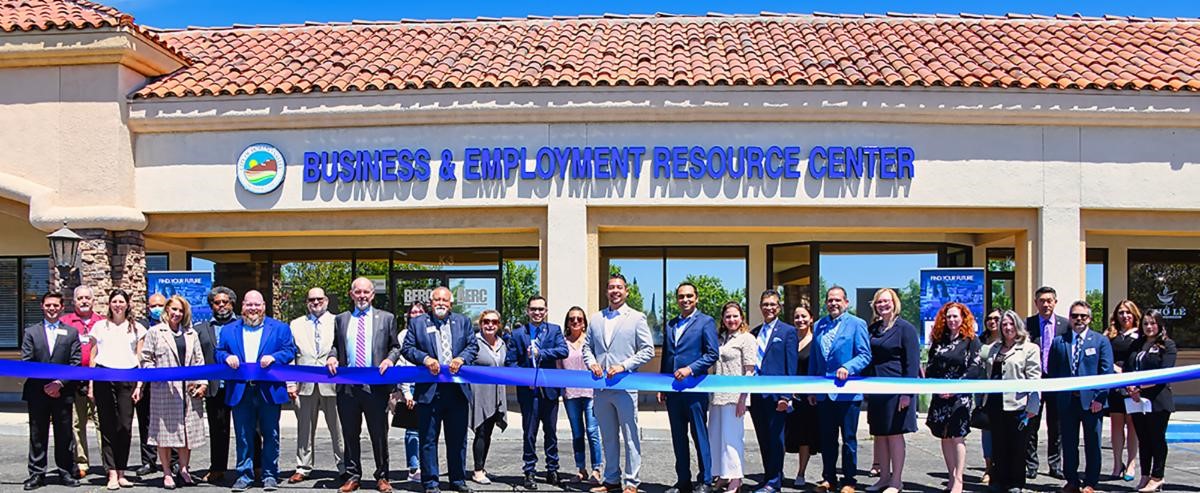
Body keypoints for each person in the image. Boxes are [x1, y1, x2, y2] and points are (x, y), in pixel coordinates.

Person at [400, 285, 480, 493]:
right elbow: (407, 348)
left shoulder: (463, 322)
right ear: (430, 303)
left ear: (451, 304)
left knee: (458, 440)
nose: (441, 304)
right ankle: (431, 482)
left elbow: (473, 346)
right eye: (437, 300)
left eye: (445, 301)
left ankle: (458, 480)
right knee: (427, 440)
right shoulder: (417, 323)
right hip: (429, 392)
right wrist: (425, 359)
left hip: (456, 392)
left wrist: (461, 358)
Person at [327, 277, 404, 493]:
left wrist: (390, 359)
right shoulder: (341, 319)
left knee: (379, 434)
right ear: (351, 294)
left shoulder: (386, 318)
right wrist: (332, 357)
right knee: (350, 434)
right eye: (357, 292)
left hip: (376, 388)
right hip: (348, 388)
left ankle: (382, 476)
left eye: (366, 292)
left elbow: (395, 347)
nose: (362, 296)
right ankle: (353, 476)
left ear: (372, 295)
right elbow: (335, 346)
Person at [216, 290, 297, 492]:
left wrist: (275, 358)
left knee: (271, 435)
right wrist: (226, 358)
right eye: (249, 305)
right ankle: (244, 475)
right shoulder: (228, 330)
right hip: (241, 391)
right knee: (243, 436)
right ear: (242, 306)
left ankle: (270, 475)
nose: (253, 308)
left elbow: (290, 350)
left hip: (269, 390)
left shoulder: (280, 328)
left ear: (264, 306)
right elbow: (218, 352)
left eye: (257, 305)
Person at [583, 273, 655, 493]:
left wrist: (624, 365)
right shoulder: (596, 318)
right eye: (611, 287)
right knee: (608, 436)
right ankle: (611, 479)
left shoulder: (637, 318)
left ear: (626, 291)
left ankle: (632, 482)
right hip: (601, 388)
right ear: (606, 291)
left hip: (625, 385)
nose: (615, 291)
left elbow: (648, 350)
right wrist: (592, 363)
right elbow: (587, 347)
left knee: (630, 436)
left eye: (619, 287)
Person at [140, 295, 208, 490]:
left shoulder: (191, 334)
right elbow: (146, 359)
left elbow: (199, 361)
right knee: (164, 435)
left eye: (181, 310)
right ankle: (167, 472)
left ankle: (185, 469)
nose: (177, 313)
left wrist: (202, 383)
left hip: (189, 391)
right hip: (165, 391)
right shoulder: (155, 332)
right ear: (167, 310)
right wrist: (156, 374)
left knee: (187, 433)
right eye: (174, 309)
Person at [659, 283, 719, 493]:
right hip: (673, 391)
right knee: (678, 437)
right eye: (681, 296)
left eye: (689, 296)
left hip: (695, 389)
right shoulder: (671, 324)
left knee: (699, 435)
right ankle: (683, 481)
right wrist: (661, 385)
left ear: (696, 298)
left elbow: (712, 354)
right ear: (677, 299)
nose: (685, 300)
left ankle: (705, 480)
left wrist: (690, 369)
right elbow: (668, 356)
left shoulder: (706, 322)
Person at [808, 287, 870, 493]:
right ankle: (829, 479)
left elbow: (864, 355)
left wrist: (848, 367)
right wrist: (811, 388)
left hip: (848, 393)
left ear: (846, 302)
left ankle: (850, 480)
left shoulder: (857, 324)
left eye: (837, 300)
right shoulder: (818, 325)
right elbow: (815, 361)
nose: (833, 304)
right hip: (824, 394)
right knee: (827, 439)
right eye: (829, 300)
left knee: (849, 440)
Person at [1049, 300, 1113, 493]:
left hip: (1092, 402)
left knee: (1093, 443)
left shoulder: (1100, 341)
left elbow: (1106, 372)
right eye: (1075, 316)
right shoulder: (1059, 341)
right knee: (1069, 443)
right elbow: (1053, 371)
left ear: (1090, 319)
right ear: (1069, 318)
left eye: (1083, 316)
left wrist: (1100, 399)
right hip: (1067, 402)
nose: (1079, 319)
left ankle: (1091, 482)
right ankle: (1072, 481)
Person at [506, 295, 569, 489]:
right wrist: (525, 379)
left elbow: (563, 350)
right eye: (533, 309)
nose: (537, 312)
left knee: (551, 432)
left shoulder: (554, 330)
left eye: (541, 309)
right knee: (530, 433)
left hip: (549, 390)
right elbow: (510, 362)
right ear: (527, 311)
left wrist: (541, 353)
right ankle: (530, 471)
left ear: (546, 311)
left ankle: (552, 469)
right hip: (528, 392)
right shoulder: (518, 334)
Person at [22, 292, 83, 491]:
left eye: (55, 305)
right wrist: (46, 386)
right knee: (38, 434)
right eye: (48, 305)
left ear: (61, 307)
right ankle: (37, 474)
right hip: (37, 392)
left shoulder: (71, 332)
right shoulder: (31, 332)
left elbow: (75, 363)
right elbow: (27, 362)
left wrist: (59, 383)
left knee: (64, 433)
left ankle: (65, 472)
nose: (52, 308)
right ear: (42, 306)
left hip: (63, 392)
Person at [88, 289, 146, 490]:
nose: (118, 305)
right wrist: (91, 385)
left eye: (121, 301)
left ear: (128, 304)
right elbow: (93, 358)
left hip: (128, 378)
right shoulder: (99, 327)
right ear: (109, 304)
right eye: (114, 301)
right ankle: (111, 473)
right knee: (107, 424)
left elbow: (140, 359)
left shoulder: (137, 328)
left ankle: (122, 471)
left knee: (124, 426)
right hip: (103, 377)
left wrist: (139, 385)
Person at [286, 287, 345, 483]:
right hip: (305, 385)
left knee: (338, 428)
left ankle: (344, 466)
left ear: (327, 300)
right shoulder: (295, 325)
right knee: (304, 427)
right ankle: (303, 466)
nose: (316, 302)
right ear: (307, 303)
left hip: (333, 382)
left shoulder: (338, 321)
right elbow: (290, 356)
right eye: (312, 299)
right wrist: (290, 383)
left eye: (320, 299)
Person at [864, 288, 919, 493]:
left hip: (897, 390)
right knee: (880, 434)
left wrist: (907, 393)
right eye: (879, 302)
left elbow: (912, 364)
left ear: (894, 303)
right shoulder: (873, 329)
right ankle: (883, 478)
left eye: (886, 301)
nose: (883, 305)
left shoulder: (906, 329)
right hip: (876, 389)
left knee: (895, 435)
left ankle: (896, 480)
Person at [925, 302, 983, 493]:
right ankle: (951, 476)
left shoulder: (971, 340)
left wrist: (955, 389)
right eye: (948, 316)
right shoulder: (939, 339)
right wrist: (936, 385)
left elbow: (975, 367)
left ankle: (959, 479)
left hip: (960, 395)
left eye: (955, 316)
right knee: (945, 436)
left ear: (963, 318)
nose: (951, 320)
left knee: (957, 436)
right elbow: (931, 365)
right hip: (940, 395)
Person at [981, 310, 1041, 493]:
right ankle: (999, 480)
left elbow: (1035, 379)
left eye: (1011, 324)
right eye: (1004, 324)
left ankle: (1016, 483)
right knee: (999, 445)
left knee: (1017, 446)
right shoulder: (993, 348)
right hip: (995, 404)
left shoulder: (1030, 348)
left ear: (1018, 325)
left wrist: (1033, 405)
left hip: (1018, 405)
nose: (1007, 327)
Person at [750, 289, 799, 493]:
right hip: (757, 396)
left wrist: (786, 396)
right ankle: (768, 476)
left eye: (772, 304)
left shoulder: (788, 332)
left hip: (776, 397)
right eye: (765, 304)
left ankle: (774, 482)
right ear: (760, 307)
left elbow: (791, 366)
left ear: (778, 307)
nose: (769, 308)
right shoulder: (754, 333)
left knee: (776, 440)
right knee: (763, 438)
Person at [193, 286, 241, 484]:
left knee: (248, 429)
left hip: (240, 386)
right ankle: (218, 468)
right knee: (218, 429)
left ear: (232, 304)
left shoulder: (243, 325)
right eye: (217, 302)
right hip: (215, 388)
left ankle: (255, 466)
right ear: (211, 305)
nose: (222, 305)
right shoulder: (200, 329)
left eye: (226, 302)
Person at [1125, 309, 1176, 493]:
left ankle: (1157, 477)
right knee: (1144, 440)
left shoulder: (1167, 346)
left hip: (1158, 401)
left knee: (1156, 439)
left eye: (1152, 323)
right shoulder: (1137, 345)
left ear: (1160, 325)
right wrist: (1130, 388)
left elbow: (1163, 373)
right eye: (1145, 323)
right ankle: (1145, 475)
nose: (1149, 327)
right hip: (1136, 401)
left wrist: (1139, 388)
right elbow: (1128, 369)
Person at [709, 301, 758, 493]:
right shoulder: (720, 339)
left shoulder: (747, 339)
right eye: (728, 316)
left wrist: (743, 399)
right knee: (716, 437)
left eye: (735, 316)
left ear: (741, 317)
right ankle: (723, 474)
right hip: (716, 397)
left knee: (732, 439)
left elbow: (750, 371)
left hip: (734, 397)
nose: (731, 320)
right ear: (723, 319)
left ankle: (736, 479)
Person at [60, 284, 105, 480]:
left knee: (103, 423)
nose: (84, 301)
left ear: (93, 301)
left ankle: (108, 462)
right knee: (76, 424)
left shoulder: (103, 323)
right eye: (80, 298)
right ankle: (81, 462)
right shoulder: (65, 323)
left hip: (100, 380)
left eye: (87, 298)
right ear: (74, 301)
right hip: (74, 382)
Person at [1026, 286, 1068, 480]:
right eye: (1041, 300)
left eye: (1049, 300)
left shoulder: (1065, 326)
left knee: (1056, 425)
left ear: (1055, 302)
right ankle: (1031, 465)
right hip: (1035, 381)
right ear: (1036, 303)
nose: (1045, 304)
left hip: (1057, 382)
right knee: (1031, 424)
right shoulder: (1027, 324)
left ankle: (1055, 464)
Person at [558, 306, 603, 484]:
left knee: (592, 431)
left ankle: (597, 469)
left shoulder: (591, 343)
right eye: (572, 319)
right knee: (577, 432)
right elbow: (558, 369)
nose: (575, 322)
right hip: (571, 394)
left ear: (584, 322)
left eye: (579, 319)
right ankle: (581, 469)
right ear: (567, 323)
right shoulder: (562, 343)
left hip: (591, 394)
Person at [1106, 300, 1142, 482]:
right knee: (1116, 427)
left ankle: (1131, 463)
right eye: (1121, 312)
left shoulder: (1140, 335)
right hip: (1115, 387)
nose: (1124, 316)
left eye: (1128, 312)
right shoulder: (1110, 335)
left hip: (1133, 386)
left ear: (1134, 314)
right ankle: (1117, 463)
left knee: (1132, 426)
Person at [470, 310, 507, 485]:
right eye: (486, 321)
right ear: (480, 323)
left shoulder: (502, 344)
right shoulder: (474, 343)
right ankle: (477, 471)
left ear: (499, 325)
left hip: (497, 394)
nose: (490, 325)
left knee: (489, 433)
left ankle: (482, 467)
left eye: (493, 321)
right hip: (480, 394)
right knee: (481, 432)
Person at [391, 302, 426, 483]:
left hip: (427, 385)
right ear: (408, 316)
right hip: (411, 386)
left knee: (427, 429)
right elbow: (403, 364)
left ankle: (426, 465)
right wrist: (406, 392)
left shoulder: (430, 331)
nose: (417, 314)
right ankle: (414, 468)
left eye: (420, 311)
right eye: (413, 312)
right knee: (412, 430)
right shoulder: (404, 335)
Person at [133, 292, 167, 477]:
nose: (156, 308)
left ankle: (174, 462)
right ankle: (149, 461)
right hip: (145, 382)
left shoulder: (173, 325)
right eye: (153, 305)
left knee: (171, 421)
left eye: (160, 305)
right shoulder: (140, 327)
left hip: (168, 383)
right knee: (145, 421)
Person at [786, 302, 819, 489]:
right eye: (797, 317)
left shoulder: (816, 342)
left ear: (811, 318)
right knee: (784, 435)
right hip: (787, 395)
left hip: (807, 398)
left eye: (803, 316)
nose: (800, 320)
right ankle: (777, 472)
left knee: (804, 437)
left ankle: (801, 473)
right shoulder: (789, 339)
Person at [978, 309, 1001, 486]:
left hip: (1005, 393)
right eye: (989, 319)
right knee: (987, 431)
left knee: (1003, 431)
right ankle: (988, 468)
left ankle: (1002, 467)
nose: (992, 321)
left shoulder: (1010, 339)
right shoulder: (981, 341)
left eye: (996, 318)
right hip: (984, 392)